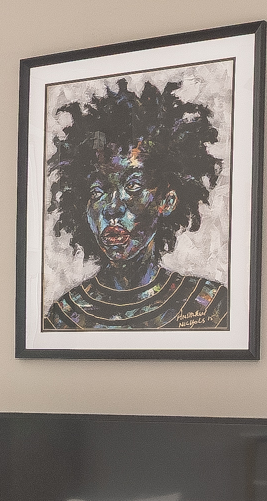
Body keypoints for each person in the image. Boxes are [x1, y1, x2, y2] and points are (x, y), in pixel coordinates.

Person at [41, 75, 229, 332]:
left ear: (167, 201)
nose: (112, 208)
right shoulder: (64, 317)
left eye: (132, 187)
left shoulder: (207, 305)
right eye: (97, 192)